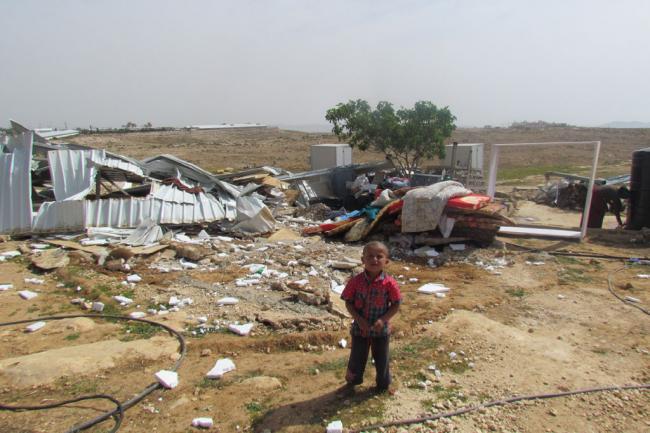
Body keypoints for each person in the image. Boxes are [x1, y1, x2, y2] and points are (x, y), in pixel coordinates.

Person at [339, 241, 402, 395]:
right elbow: (348, 302)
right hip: (360, 329)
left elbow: (396, 304)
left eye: (379, 256)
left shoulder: (390, 283)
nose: (374, 259)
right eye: (370, 256)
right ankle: (352, 382)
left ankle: (383, 384)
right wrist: (359, 320)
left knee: (382, 358)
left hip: (381, 330)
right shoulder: (355, 281)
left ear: (386, 261)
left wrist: (383, 320)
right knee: (357, 357)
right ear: (363, 260)